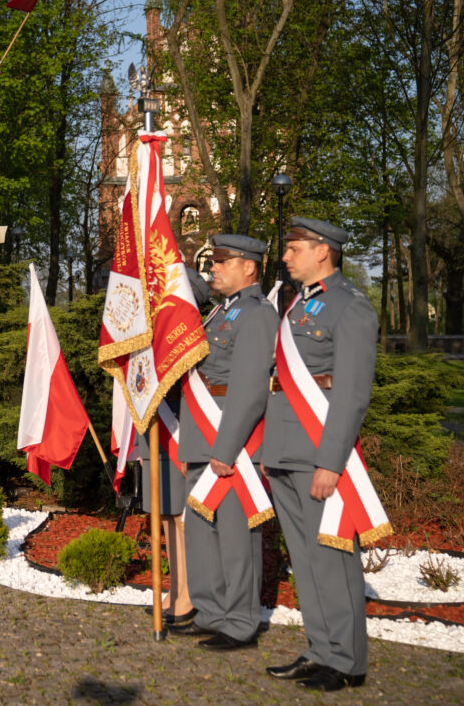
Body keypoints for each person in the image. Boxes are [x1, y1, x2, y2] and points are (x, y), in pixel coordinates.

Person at [262, 217, 377, 691]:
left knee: (332, 556)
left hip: (317, 450)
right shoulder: (297, 307)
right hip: (285, 447)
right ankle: (320, 648)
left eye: (294, 248)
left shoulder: (349, 307)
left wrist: (331, 462)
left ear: (322, 251)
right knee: (305, 558)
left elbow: (350, 394)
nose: (286, 256)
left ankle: (348, 661)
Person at [170, 234, 277, 651]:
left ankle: (240, 620)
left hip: (231, 440)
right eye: (213, 262)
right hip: (201, 432)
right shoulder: (219, 313)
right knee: (200, 530)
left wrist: (225, 447)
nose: (213, 267)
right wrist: (189, 444)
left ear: (248, 267)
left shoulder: (256, 314)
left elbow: (250, 388)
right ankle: (211, 611)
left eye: (222, 261)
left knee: (235, 534)